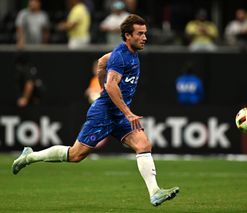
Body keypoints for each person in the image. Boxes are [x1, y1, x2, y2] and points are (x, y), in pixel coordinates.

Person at [12, 14, 179, 206]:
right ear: (127, 35)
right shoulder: (120, 56)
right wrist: (126, 111)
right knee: (76, 155)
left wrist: (103, 86)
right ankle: (30, 156)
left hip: (117, 113)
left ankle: (155, 192)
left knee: (143, 145)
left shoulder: (127, 53)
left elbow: (101, 62)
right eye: (140, 34)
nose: (145, 37)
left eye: (145, 33)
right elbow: (112, 86)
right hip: (105, 113)